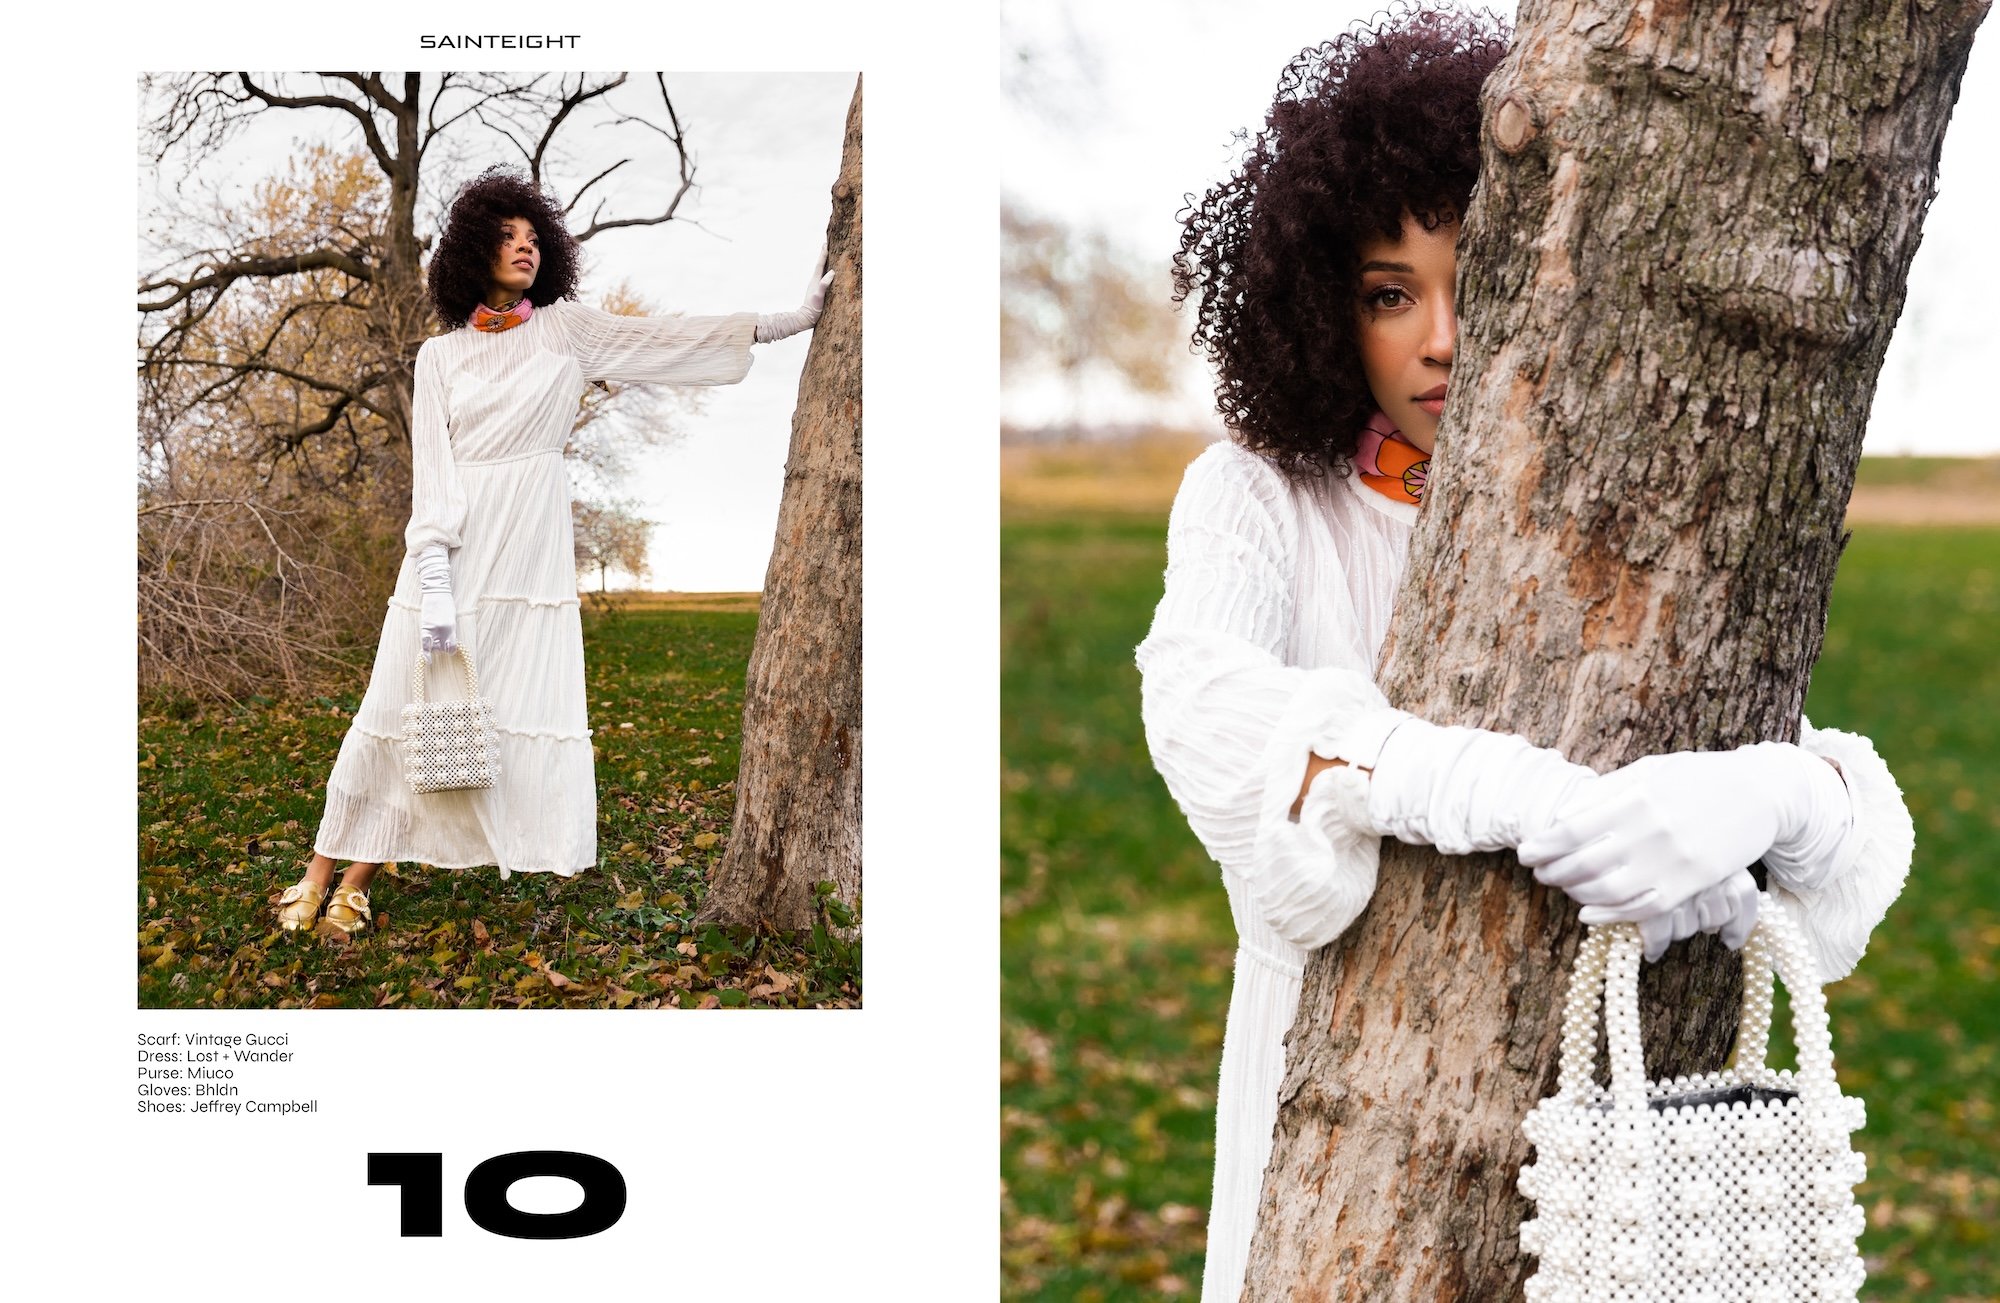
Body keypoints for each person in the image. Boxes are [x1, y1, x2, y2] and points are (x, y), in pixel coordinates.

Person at [1139, 8, 1914, 1300]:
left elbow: (1839, 869)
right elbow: (1203, 705)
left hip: (1636, 1129)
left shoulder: (1620, 497)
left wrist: (1780, 794)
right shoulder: (1262, 495)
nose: (1440, 337)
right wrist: (1501, 792)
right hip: (1337, 1112)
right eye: (1389, 294)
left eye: (1477, 272)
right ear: (1324, 305)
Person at [275, 165, 832, 934]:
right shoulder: (439, 358)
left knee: (468, 718)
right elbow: (433, 475)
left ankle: (358, 883)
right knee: (399, 704)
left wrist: (792, 319)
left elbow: (667, 340)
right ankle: (318, 872)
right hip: (451, 553)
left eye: (534, 237)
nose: (525, 246)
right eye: (507, 235)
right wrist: (434, 581)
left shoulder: (567, 330)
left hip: (528, 554)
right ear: (473, 250)